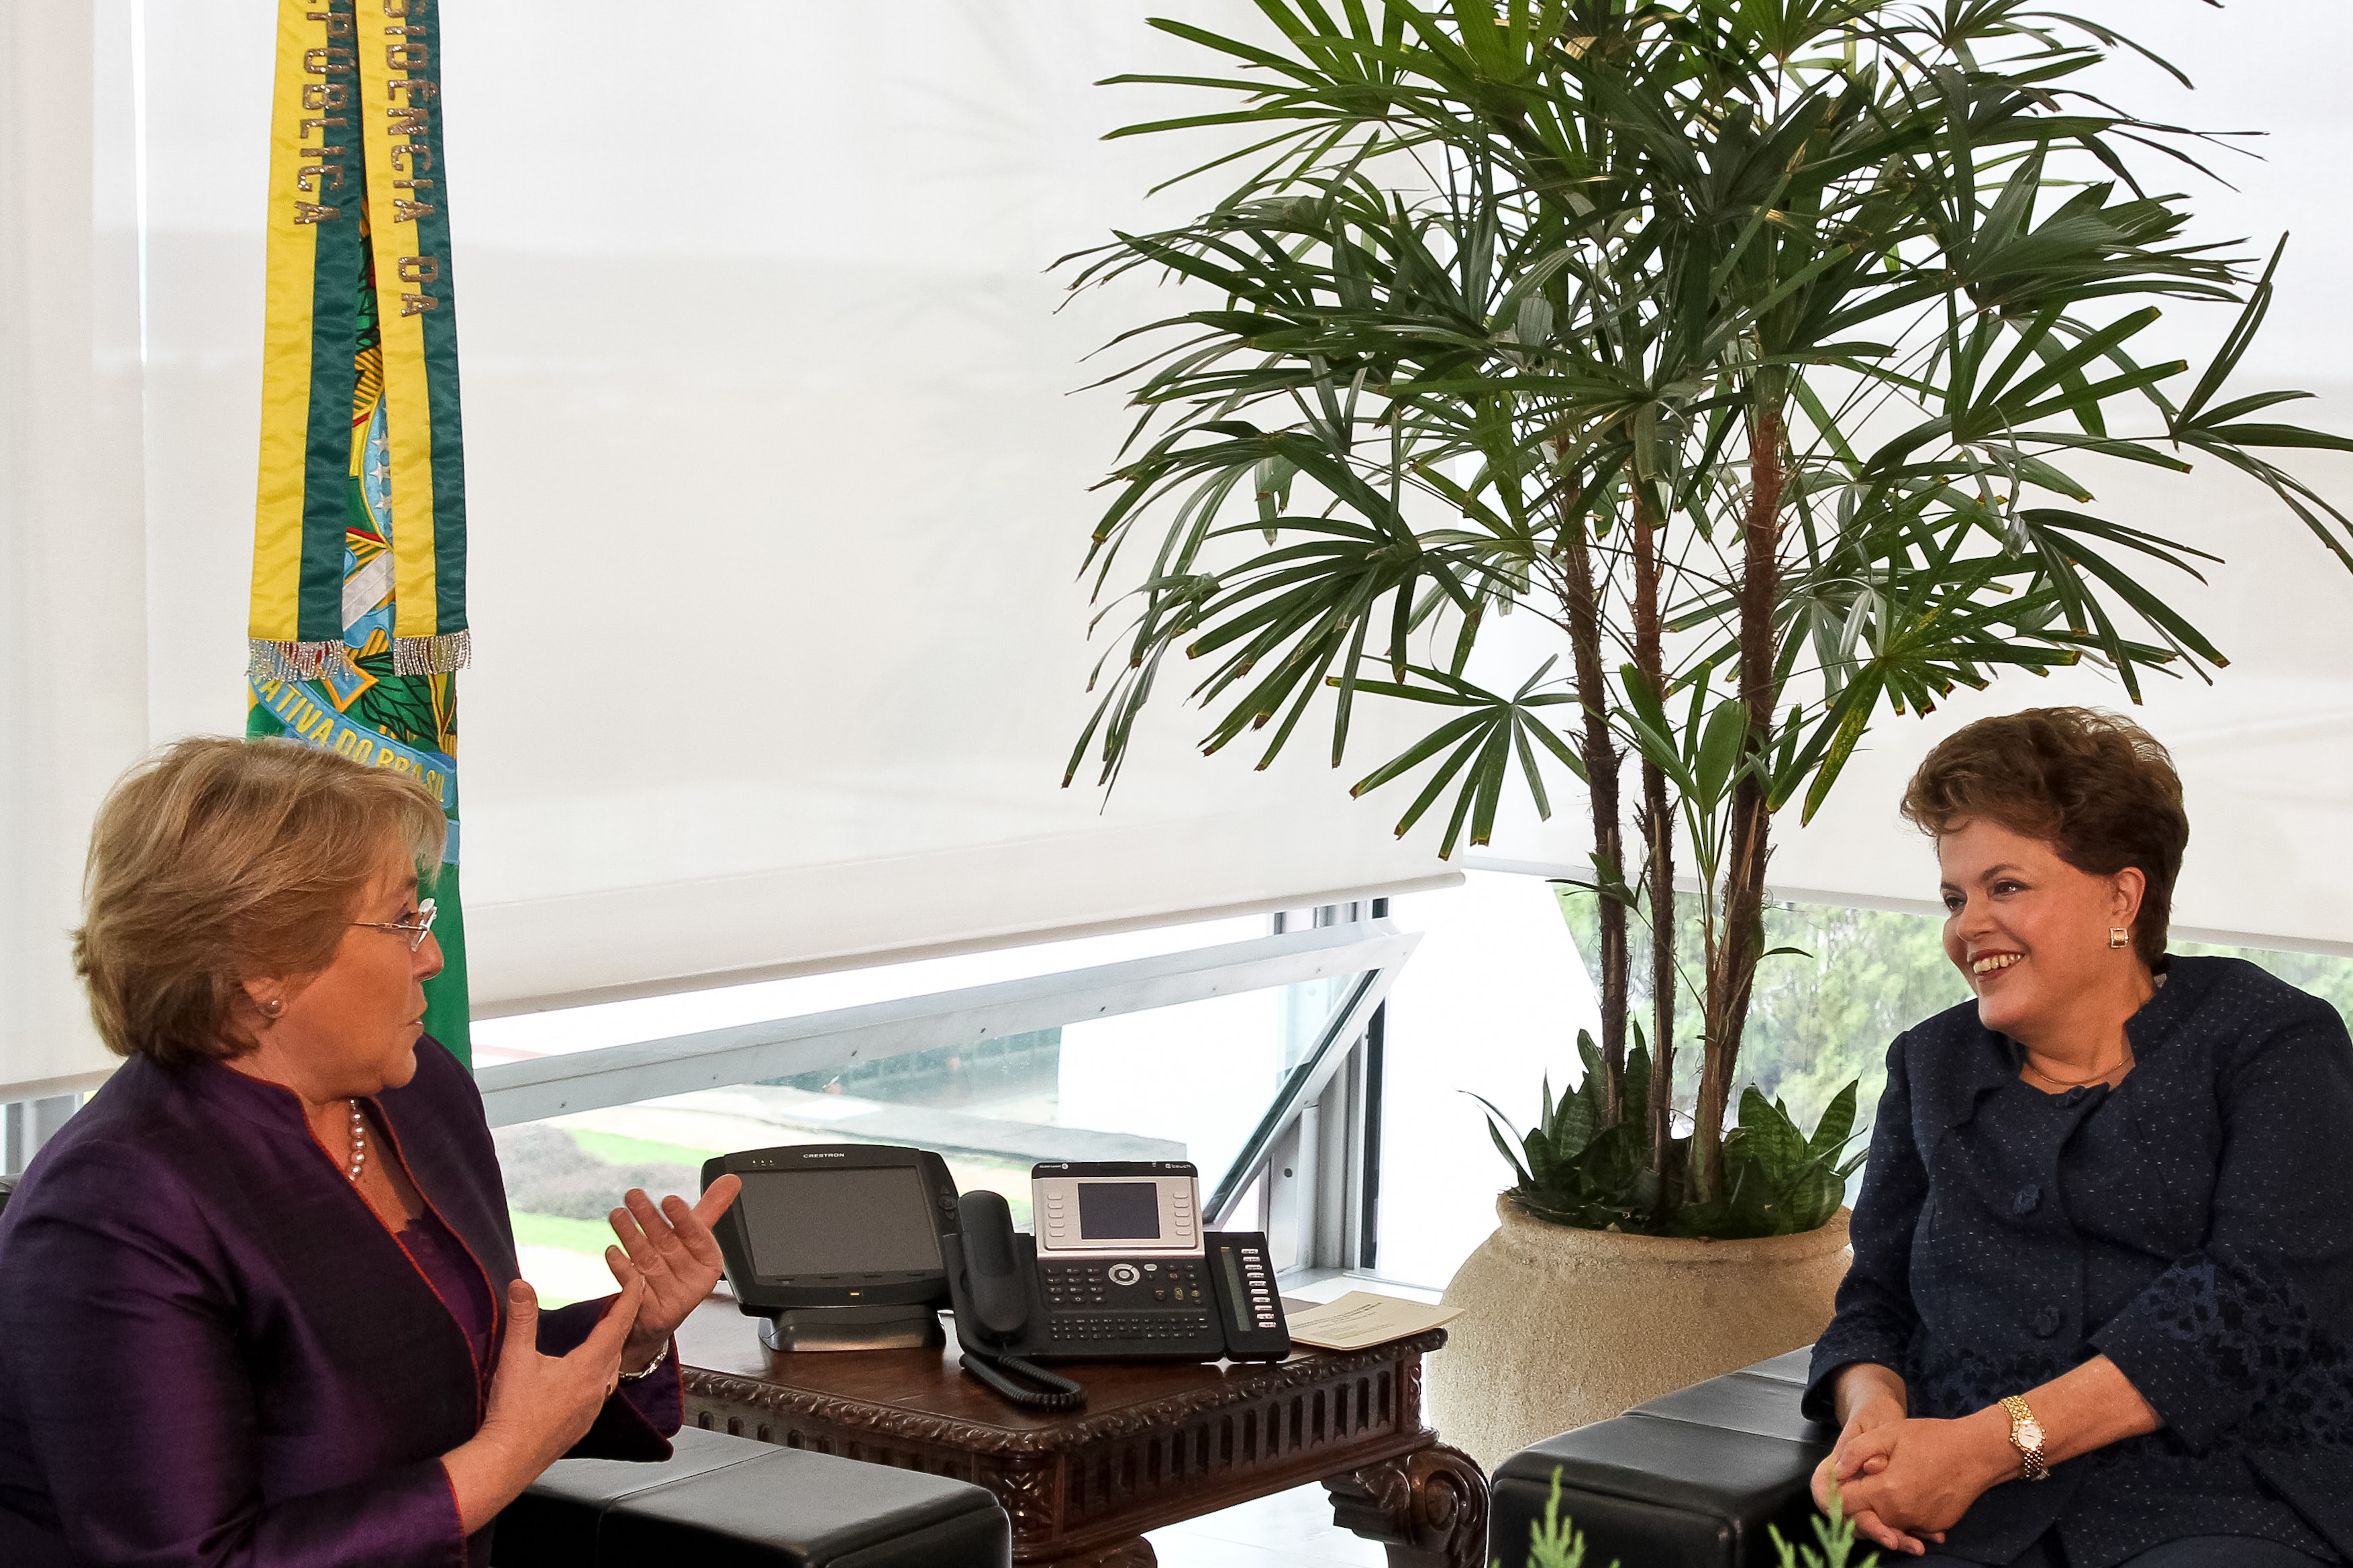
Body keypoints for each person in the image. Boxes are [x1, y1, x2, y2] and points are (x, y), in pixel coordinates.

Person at [0, 737, 746, 1565]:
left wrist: (627, 1336)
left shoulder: (423, 1092)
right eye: (403, 920)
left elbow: (451, 1374)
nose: (431, 957)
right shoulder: (113, 1205)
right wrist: (503, 1460)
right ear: (262, 966)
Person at [1806, 708, 2353, 1566]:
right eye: (1954, 897)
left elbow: (2252, 1304)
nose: (1965, 925)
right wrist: (1870, 1418)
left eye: (2005, 886)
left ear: (2120, 897)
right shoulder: (1929, 1063)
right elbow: (1872, 1303)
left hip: (2220, 1503)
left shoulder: (2269, 1041)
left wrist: (1986, 1446)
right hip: (1968, 1518)